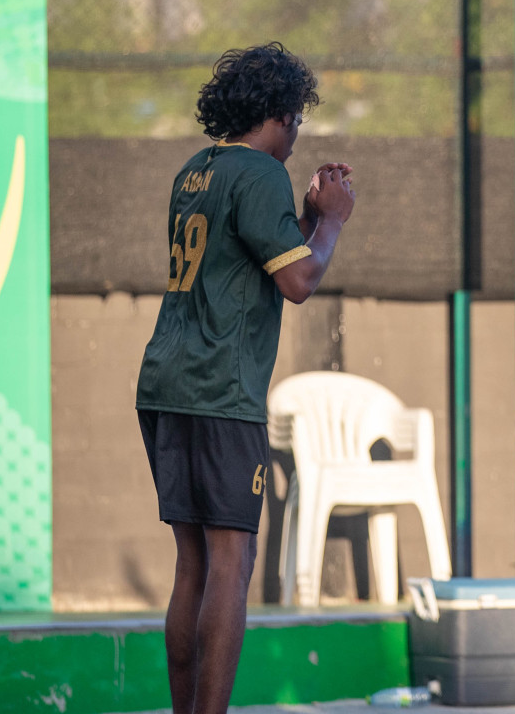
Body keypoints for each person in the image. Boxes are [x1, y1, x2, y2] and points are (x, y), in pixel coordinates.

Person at [136, 43, 355, 714]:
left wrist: (309, 218)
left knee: (193, 563)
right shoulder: (260, 174)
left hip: (164, 384)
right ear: (283, 115)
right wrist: (333, 220)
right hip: (221, 391)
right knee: (232, 561)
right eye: (298, 122)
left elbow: (257, 257)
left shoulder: (193, 171)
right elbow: (298, 280)